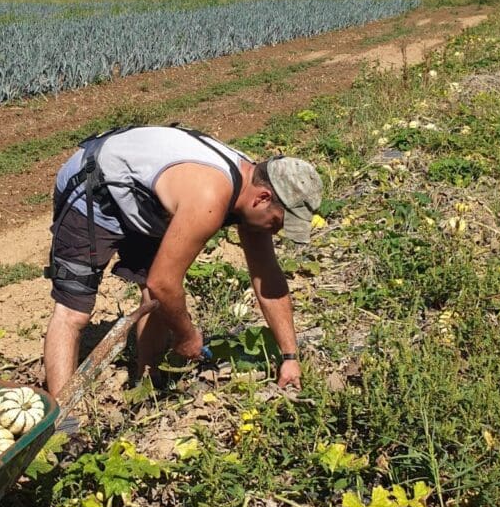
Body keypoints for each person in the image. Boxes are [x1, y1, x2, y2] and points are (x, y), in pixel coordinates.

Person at [42, 125, 323, 397]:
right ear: (263, 198)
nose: (276, 231)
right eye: (278, 222)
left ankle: (147, 385)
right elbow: (164, 283)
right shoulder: (210, 196)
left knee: (156, 297)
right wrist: (186, 336)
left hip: (143, 197)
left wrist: (290, 356)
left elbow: (268, 278)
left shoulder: (256, 186)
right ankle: (61, 422)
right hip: (94, 182)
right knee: (74, 312)